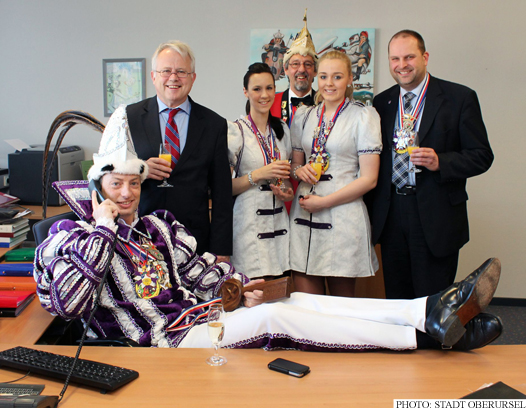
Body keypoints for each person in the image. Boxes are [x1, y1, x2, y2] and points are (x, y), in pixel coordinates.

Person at [34, 106, 502, 351]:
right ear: (98, 186)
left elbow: (199, 274)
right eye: (117, 184)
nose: (128, 193)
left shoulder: (156, 227)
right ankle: (423, 333)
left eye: (134, 183)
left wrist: (238, 286)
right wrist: (101, 230)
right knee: (280, 319)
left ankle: (429, 311)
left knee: (296, 299)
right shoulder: (66, 239)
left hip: (201, 320)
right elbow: (70, 304)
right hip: (161, 343)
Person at [365, 30, 494, 299]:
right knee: (398, 300)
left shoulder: (459, 98)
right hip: (391, 215)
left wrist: (441, 162)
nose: (402, 65)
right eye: (395, 58)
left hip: (436, 215)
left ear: (425, 57)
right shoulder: (382, 103)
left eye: (409, 57)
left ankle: (435, 344)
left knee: (432, 301)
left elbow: (482, 155)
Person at [126, 40, 232, 261]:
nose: (173, 78)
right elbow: (109, 175)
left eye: (181, 71)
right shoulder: (129, 117)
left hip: (194, 243)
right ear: (154, 76)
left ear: (193, 78)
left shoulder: (214, 124)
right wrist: (140, 169)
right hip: (140, 239)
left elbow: (222, 195)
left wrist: (221, 251)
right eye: (166, 71)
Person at [289, 50, 381, 297]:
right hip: (305, 215)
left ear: (350, 79)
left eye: (337, 77)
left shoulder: (364, 116)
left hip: (342, 217)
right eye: (324, 76)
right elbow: (294, 165)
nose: (329, 84)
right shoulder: (303, 115)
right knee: (307, 308)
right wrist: (300, 170)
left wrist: (324, 203)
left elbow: (369, 179)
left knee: (341, 311)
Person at [227, 63, 294, 279]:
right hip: (248, 225)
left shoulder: (282, 129)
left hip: (278, 223)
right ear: (245, 92)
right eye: (256, 89)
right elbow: (222, 188)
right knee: (253, 297)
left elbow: (286, 178)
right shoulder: (235, 131)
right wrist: (258, 174)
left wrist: (287, 191)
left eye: (269, 88)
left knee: (281, 294)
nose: (264, 95)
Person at [270, 10, 317, 127]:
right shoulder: (270, 103)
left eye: (307, 64)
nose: (301, 69)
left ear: (315, 71)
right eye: (295, 64)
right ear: (285, 69)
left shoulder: (325, 104)